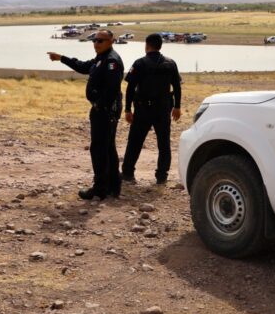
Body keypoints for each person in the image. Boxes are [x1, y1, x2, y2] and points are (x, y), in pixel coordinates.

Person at [48, 29, 124, 200]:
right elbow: (83, 67)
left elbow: (112, 89)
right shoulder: (101, 58)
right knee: (108, 147)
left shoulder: (112, 61)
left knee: (99, 148)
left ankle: (100, 188)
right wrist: (62, 58)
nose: (96, 44)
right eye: (95, 40)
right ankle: (113, 185)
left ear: (111, 41)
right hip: (103, 110)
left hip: (105, 111)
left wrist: (99, 105)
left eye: (101, 41)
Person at [121, 33, 182, 185]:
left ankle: (128, 173)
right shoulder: (171, 63)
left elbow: (130, 88)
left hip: (143, 109)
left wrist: (128, 109)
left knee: (135, 141)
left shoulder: (140, 63)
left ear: (147, 45)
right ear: (160, 46)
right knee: (164, 143)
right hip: (163, 109)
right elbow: (177, 87)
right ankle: (162, 176)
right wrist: (177, 107)